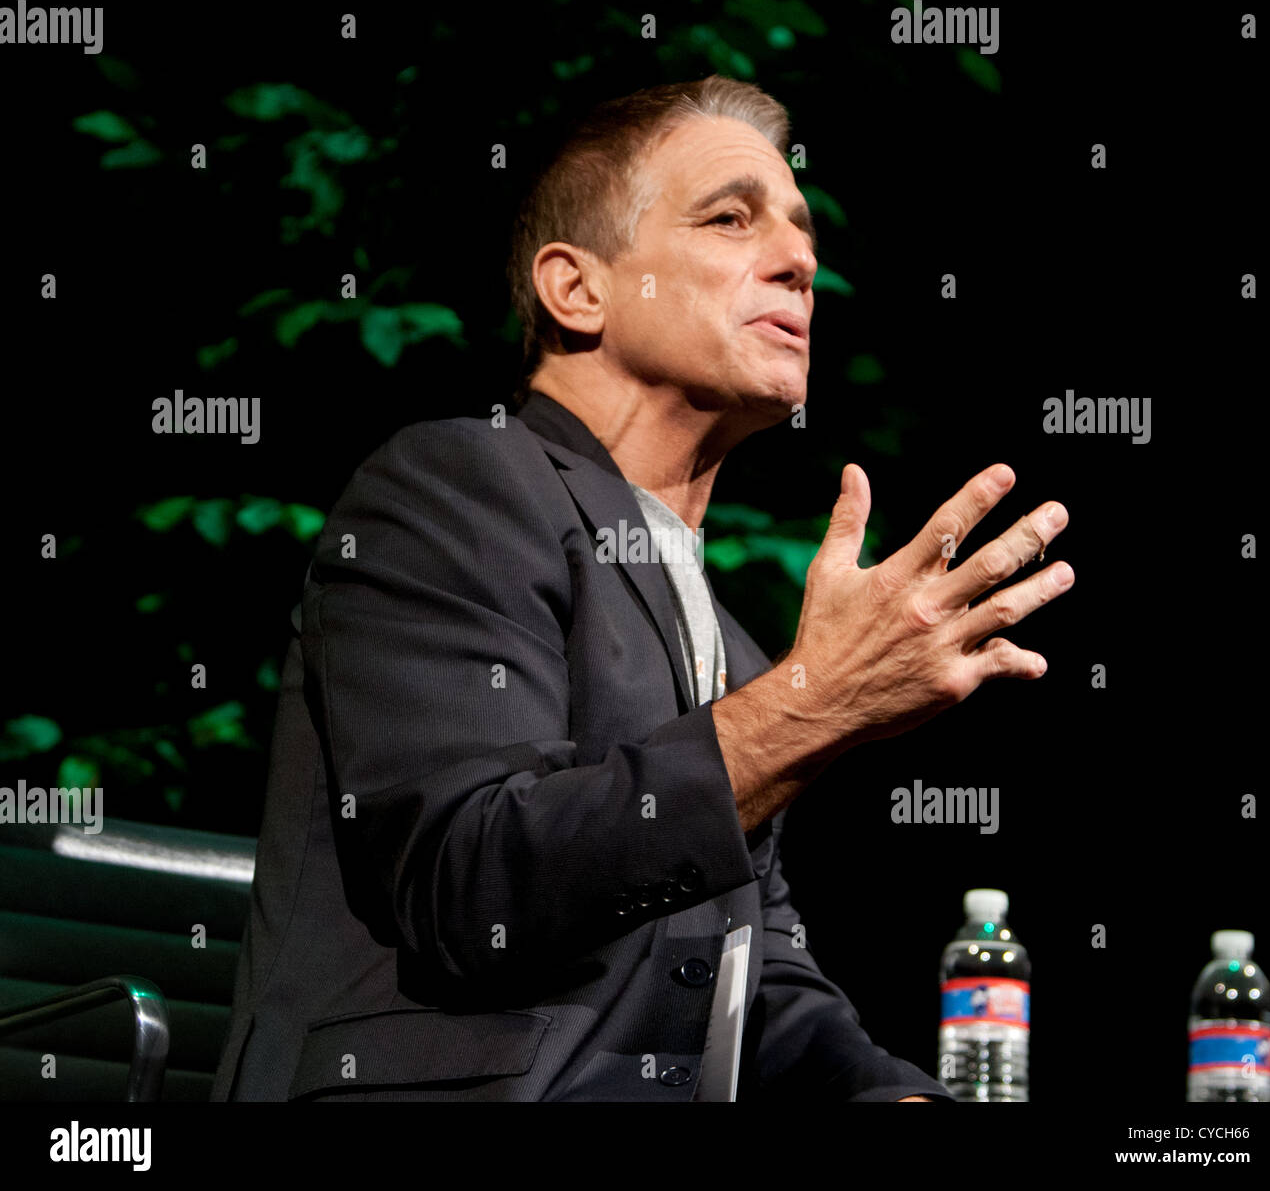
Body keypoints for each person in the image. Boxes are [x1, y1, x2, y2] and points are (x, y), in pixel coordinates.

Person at [211, 75, 1072, 1102]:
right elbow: (470, 879)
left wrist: (896, 1093)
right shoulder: (451, 488)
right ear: (578, 290)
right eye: (729, 218)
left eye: (800, 233)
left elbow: (750, 984)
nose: (801, 261)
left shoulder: (733, 646)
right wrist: (810, 706)